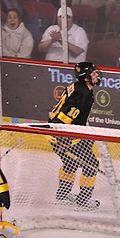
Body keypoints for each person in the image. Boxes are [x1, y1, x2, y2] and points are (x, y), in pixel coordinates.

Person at [48, 62, 102, 209]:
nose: (97, 75)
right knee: (92, 165)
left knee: (70, 164)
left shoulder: (80, 87)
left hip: (58, 134)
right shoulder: (83, 94)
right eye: (94, 74)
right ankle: (83, 200)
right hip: (63, 136)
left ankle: (62, 194)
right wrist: (63, 142)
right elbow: (64, 119)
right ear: (86, 78)